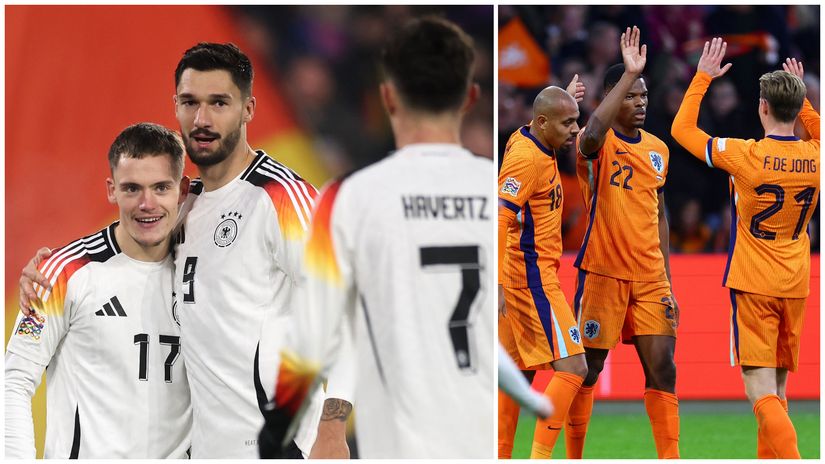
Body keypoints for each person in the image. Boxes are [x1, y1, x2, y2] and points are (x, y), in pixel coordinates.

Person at [17, 43, 343, 458]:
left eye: (219, 103)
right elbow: (124, 248)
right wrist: (49, 276)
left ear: (248, 110)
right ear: (175, 105)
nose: (202, 119)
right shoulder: (184, 206)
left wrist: (333, 428)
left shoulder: (282, 199)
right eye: (191, 102)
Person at [259, 17, 495, 458]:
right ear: (470, 98)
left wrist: (312, 430)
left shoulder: (347, 199)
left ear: (388, 98)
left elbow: (319, 333)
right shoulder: (504, 192)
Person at [5, 123, 192, 458]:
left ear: (183, 189)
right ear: (111, 190)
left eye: (161, 188)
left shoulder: (209, 274)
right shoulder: (61, 274)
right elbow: (14, 382)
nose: (147, 203)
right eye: (132, 188)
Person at [672, 40, 820, 458]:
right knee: (778, 392)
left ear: (762, 108)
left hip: (754, 281)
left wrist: (702, 77)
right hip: (796, 280)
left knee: (759, 391)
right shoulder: (817, 154)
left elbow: (682, 131)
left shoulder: (745, 155)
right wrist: (804, 99)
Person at [568, 26, 680, 458]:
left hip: (650, 278)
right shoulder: (595, 141)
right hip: (603, 273)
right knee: (589, 369)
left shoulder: (658, 149)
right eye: (632, 95)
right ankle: (575, 454)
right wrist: (628, 75)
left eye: (645, 96)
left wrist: (668, 280)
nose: (641, 103)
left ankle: (669, 457)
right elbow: (592, 134)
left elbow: (660, 214)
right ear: (614, 96)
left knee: (663, 370)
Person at [497, 77, 589, 459]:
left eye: (576, 121)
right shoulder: (527, 158)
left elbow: (543, 118)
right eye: (568, 123)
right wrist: (497, 283)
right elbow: (500, 217)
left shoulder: (530, 137)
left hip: (523, 275)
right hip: (529, 279)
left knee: (516, 378)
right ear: (543, 122)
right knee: (574, 367)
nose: (576, 130)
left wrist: (561, 101)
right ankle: (541, 458)